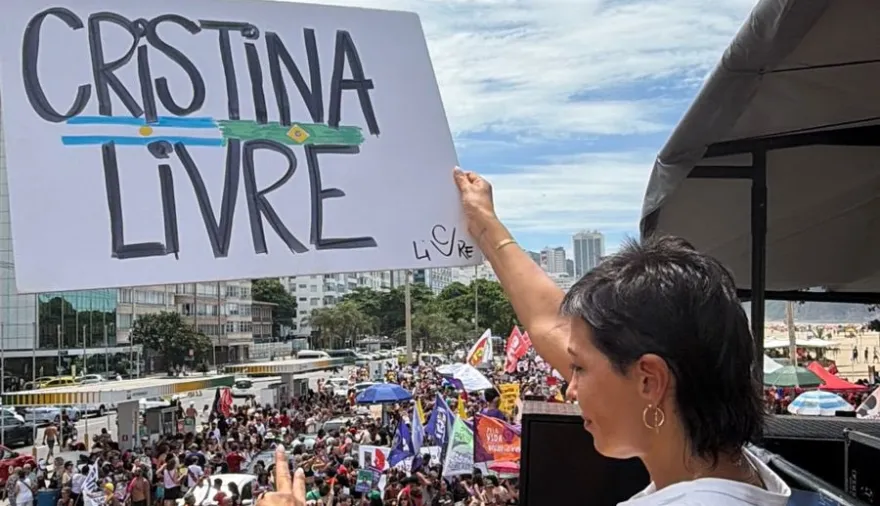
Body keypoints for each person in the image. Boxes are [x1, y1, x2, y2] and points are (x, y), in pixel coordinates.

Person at [452, 168, 791, 505]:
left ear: (649, 381)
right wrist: (485, 225)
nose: (569, 389)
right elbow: (552, 324)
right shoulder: (736, 471)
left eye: (579, 369)